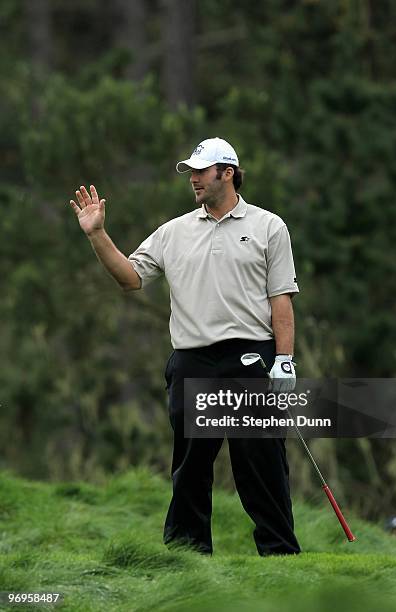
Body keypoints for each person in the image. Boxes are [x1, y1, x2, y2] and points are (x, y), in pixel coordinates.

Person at [69, 137, 301, 556]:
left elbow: (280, 298)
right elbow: (129, 279)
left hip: (251, 358)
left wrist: (283, 362)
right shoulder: (173, 232)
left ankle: (280, 552)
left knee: (261, 464)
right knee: (191, 464)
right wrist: (98, 235)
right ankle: (186, 556)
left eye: (201, 171)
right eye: (190, 171)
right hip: (193, 361)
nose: (193, 179)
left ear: (227, 173)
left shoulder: (269, 227)